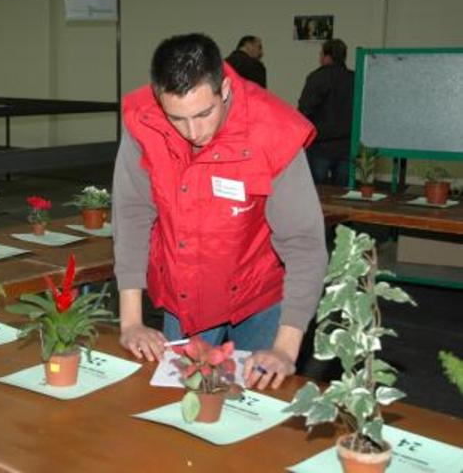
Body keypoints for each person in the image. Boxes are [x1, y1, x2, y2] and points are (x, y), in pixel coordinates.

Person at [112, 33, 327, 390]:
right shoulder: (144, 122)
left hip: (260, 296)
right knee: (184, 407)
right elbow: (132, 214)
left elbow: (303, 243)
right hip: (187, 298)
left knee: (257, 410)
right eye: (177, 118)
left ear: (224, 88)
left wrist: (285, 350)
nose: (193, 131)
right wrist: (131, 321)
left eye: (204, 113)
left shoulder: (274, 130)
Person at [298, 39, 354, 187]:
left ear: (327, 56)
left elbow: (305, 109)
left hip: (320, 144)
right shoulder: (354, 78)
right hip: (347, 144)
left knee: (316, 192)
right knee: (343, 192)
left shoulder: (317, 77)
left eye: (321, 54)